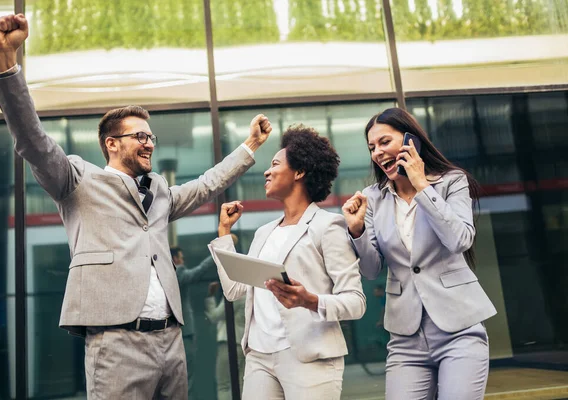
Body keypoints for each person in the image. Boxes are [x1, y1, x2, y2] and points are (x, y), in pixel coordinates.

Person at [0, 14, 272, 399]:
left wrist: (250, 147)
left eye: (150, 136)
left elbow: (207, 185)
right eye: (139, 136)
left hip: (171, 341)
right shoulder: (76, 180)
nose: (149, 142)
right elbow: (33, 140)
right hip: (116, 343)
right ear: (112, 144)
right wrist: (7, 65)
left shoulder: (159, 192)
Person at [342, 107, 497, 400]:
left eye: (385, 142)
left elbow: (459, 239)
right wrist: (357, 230)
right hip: (406, 338)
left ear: (411, 140)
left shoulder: (452, 181)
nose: (377, 153)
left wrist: (421, 185)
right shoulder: (373, 197)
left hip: (459, 330)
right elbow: (372, 270)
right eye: (372, 147)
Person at [209, 125, 366, 400]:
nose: (267, 172)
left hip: (309, 357)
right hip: (259, 355)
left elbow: (355, 301)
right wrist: (224, 233)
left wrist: (310, 301)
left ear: (299, 172)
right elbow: (234, 290)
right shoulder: (263, 233)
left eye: (275, 164)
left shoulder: (328, 226)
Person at [171, 247, 217, 400]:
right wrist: (217, 252)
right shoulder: (177, 273)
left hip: (175, 335)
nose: (183, 261)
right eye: (181, 258)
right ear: (175, 259)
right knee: (186, 379)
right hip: (184, 335)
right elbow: (199, 271)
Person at [205, 281, 246, 400]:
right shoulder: (248, 292)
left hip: (229, 342)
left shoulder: (235, 294)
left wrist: (210, 296)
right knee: (241, 384)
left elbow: (214, 316)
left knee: (223, 384)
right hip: (242, 342)